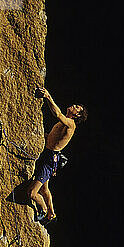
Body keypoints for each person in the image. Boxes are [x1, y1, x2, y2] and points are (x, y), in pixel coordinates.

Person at [28, 87, 87, 223]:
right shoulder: (65, 122)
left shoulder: (70, 124)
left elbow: (57, 114)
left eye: (76, 107)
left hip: (49, 159)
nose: (73, 106)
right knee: (44, 189)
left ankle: (42, 210)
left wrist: (48, 96)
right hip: (49, 156)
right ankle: (52, 213)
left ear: (77, 115)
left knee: (32, 193)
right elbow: (53, 138)